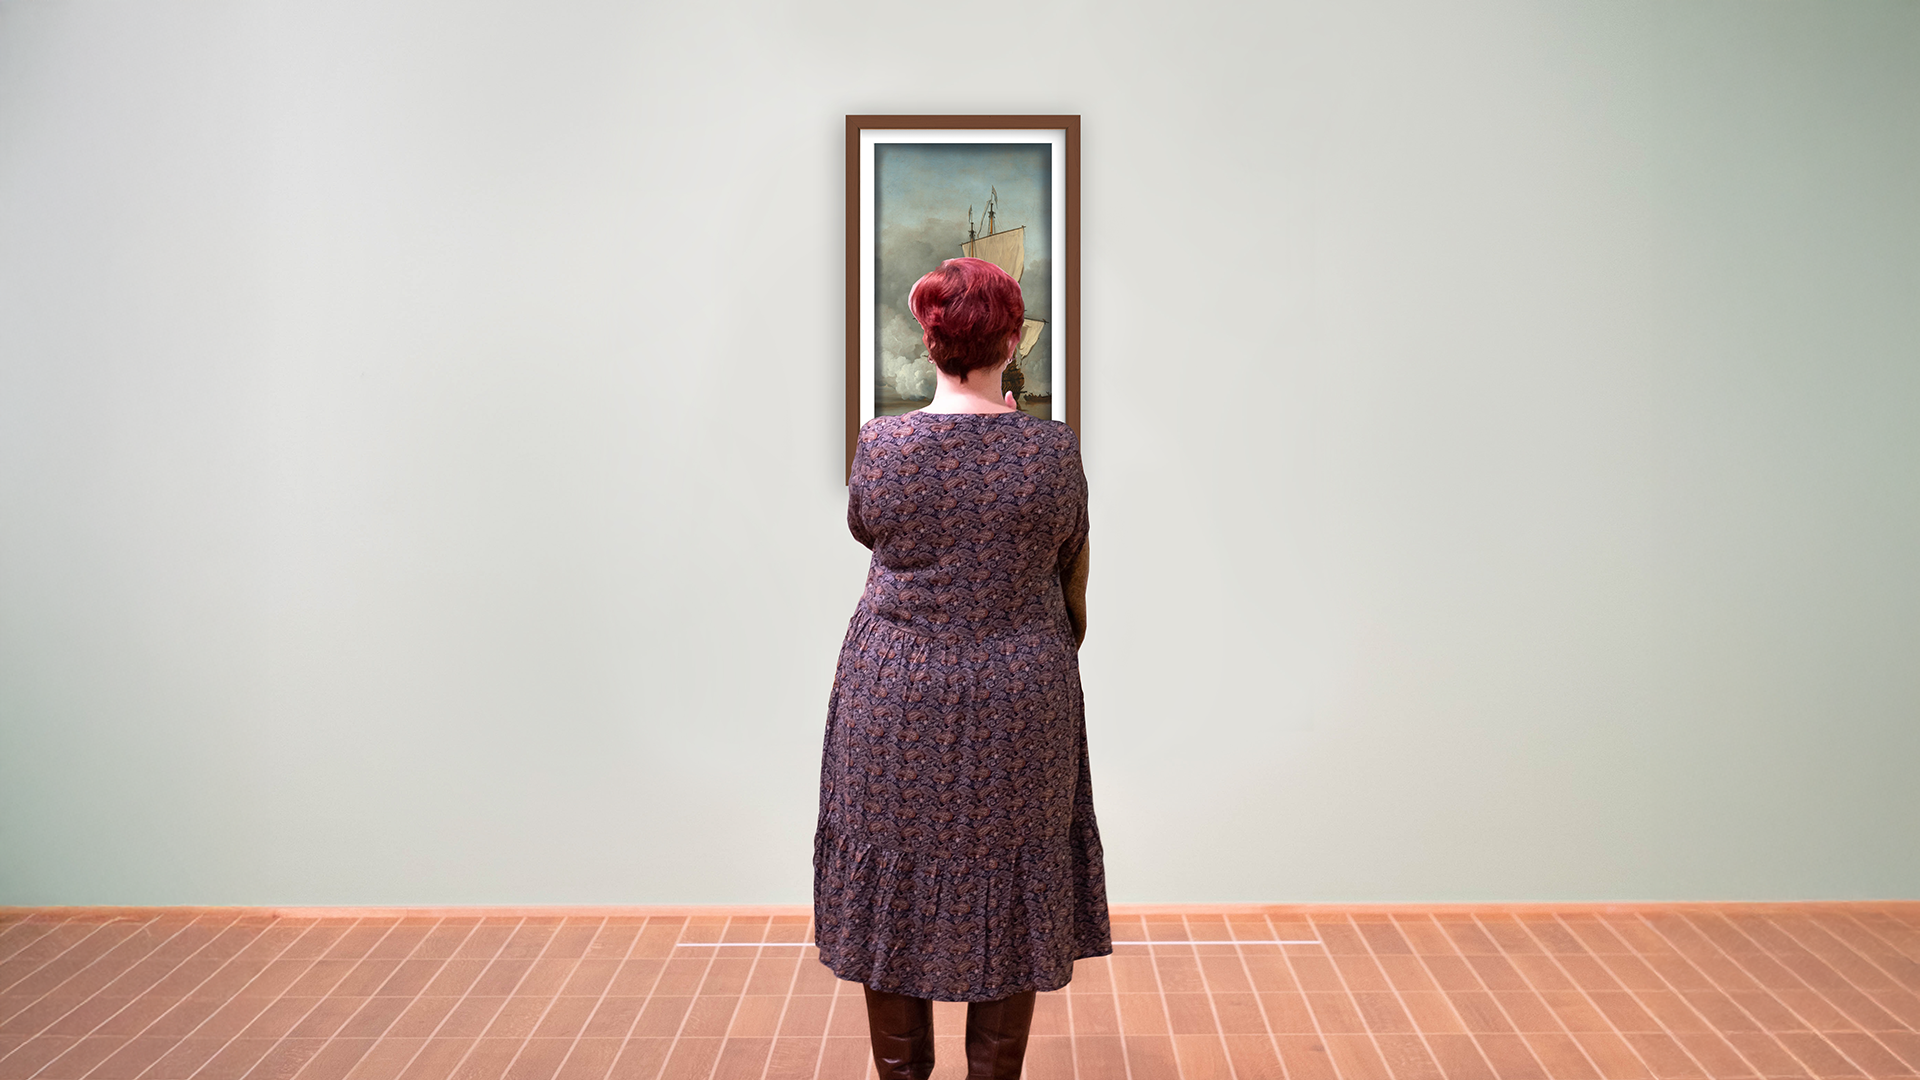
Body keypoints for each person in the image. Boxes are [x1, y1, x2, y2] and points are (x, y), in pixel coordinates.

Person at [814, 256, 1110, 1080]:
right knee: (1012, 882)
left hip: (895, 689)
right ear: (1011, 343)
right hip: (1020, 691)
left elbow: (868, 529)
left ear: (931, 341)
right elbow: (1066, 549)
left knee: (892, 881)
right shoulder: (1050, 452)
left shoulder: (884, 443)